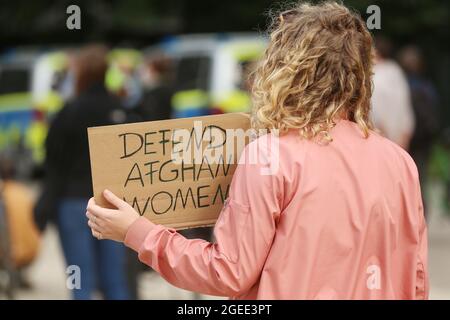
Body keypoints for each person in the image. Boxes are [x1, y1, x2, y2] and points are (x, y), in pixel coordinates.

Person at [86, 2, 428, 299]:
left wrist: (138, 232)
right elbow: (416, 279)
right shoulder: (399, 161)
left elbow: (229, 272)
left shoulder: (271, 156)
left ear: (285, 69)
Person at [39, 45, 130, 299]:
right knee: (115, 281)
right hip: (113, 204)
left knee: (81, 283)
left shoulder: (69, 112)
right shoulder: (120, 110)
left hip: (74, 203)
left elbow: (53, 161)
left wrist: (45, 206)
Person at [398, 45, 440, 218]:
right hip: (424, 142)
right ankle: (422, 218)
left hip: (403, 140)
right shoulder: (426, 87)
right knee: (420, 179)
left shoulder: (399, 85)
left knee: (401, 180)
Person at [371, 36, 415, 150]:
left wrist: (384, 138)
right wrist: (404, 138)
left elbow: (375, 112)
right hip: (400, 141)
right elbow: (406, 109)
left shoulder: (374, 75)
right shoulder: (396, 71)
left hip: (381, 139)